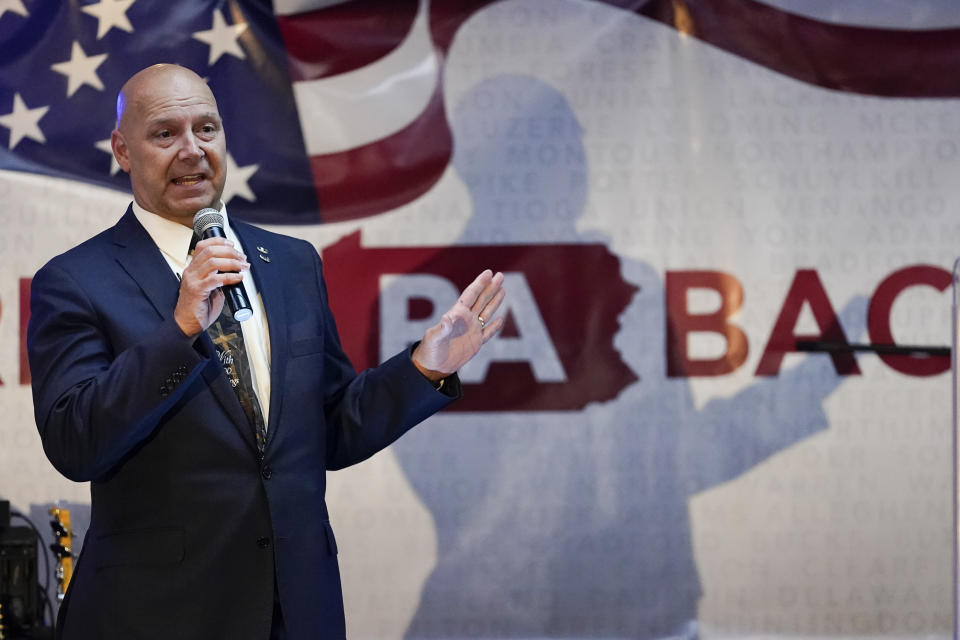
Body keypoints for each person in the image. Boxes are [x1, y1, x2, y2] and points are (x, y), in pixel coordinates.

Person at [26, 63, 505, 640]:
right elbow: (75, 443)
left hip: (297, 609)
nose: (192, 150)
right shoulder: (77, 279)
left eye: (207, 129)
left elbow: (329, 428)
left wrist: (425, 367)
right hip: (158, 613)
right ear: (122, 151)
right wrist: (178, 330)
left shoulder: (293, 262)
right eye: (164, 134)